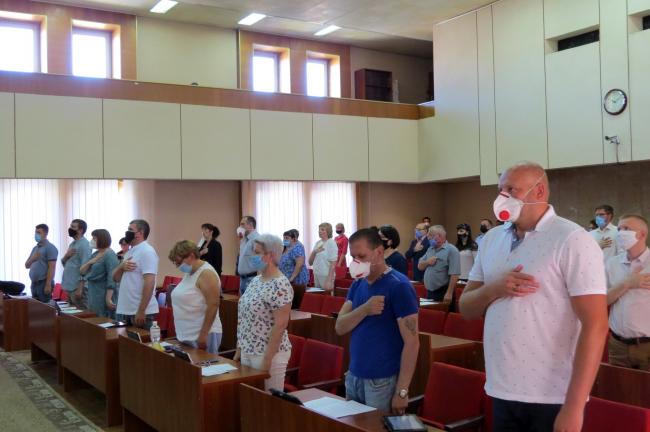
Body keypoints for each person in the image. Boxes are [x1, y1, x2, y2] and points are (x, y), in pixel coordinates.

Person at [460, 162, 608, 432]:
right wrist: (493, 289)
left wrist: (574, 407)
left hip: (552, 395)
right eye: (500, 189)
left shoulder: (572, 239)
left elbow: (596, 325)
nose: (503, 196)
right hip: (502, 386)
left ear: (539, 191)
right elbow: (466, 308)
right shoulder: (491, 239)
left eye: (511, 189)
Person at [335, 228, 419, 413]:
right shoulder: (358, 283)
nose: (356, 262)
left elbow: (412, 343)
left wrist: (402, 391)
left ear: (379, 252)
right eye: (353, 257)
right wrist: (365, 309)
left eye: (362, 256)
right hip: (354, 375)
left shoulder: (399, 286)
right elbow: (340, 326)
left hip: (382, 381)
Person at [234, 234, 293, 390]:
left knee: (267, 401)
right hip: (248, 348)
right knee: (249, 397)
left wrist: (267, 360)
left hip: (268, 353)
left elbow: (280, 325)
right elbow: (244, 316)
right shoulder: (256, 280)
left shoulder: (280, 284)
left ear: (270, 255)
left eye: (257, 252)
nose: (252, 256)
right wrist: (239, 348)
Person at [605, 214, 650, 370]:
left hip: (647, 345)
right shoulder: (612, 264)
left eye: (626, 229)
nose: (620, 233)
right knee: (618, 384)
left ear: (642, 234)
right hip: (618, 345)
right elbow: (602, 301)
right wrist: (628, 283)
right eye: (619, 229)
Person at [169, 240, 223, 353]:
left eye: (179, 262)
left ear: (191, 256)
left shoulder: (206, 273)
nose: (178, 266)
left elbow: (213, 305)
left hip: (202, 334)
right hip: (187, 334)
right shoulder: (189, 272)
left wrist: (203, 334)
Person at [112, 219, 159, 329]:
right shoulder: (130, 252)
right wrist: (121, 267)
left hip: (141, 311)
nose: (127, 232)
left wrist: (141, 310)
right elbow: (115, 278)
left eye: (130, 229)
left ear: (140, 233)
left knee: (141, 340)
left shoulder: (147, 251)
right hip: (128, 309)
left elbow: (150, 282)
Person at [80, 229, 119, 318]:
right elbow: (82, 271)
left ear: (102, 239)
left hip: (103, 292)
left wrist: (108, 298)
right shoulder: (96, 254)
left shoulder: (109, 254)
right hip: (93, 292)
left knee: (102, 319)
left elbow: (111, 278)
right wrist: (91, 262)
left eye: (94, 238)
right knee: (93, 318)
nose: (91, 241)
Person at [418, 225, 460, 302]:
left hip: (443, 292)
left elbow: (454, 274)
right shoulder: (430, 249)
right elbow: (420, 266)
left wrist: (449, 293)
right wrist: (427, 262)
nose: (428, 238)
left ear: (439, 236)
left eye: (430, 235)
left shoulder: (452, 250)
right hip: (429, 292)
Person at [61, 219, 92, 309]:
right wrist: (66, 256)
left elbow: (85, 268)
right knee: (71, 315)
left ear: (81, 230)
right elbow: (66, 265)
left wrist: (80, 288)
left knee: (81, 314)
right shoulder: (72, 244)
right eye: (70, 226)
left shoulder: (85, 245)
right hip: (70, 287)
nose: (70, 229)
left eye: (73, 227)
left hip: (77, 288)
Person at [25, 224, 58, 303]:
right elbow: (27, 265)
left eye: (39, 232)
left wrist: (48, 284)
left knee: (44, 308)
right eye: (36, 232)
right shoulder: (35, 248)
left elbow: (52, 267)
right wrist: (33, 259)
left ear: (45, 234)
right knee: (35, 307)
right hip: (34, 283)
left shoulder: (50, 247)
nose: (36, 235)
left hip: (44, 283)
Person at [279, 229, 309, 309]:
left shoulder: (297, 247)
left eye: (287, 238)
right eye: (284, 237)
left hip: (296, 280)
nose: (284, 240)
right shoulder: (286, 247)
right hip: (286, 279)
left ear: (293, 239)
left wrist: (292, 278)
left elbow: (299, 264)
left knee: (295, 303)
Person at [309, 223, 338, 292]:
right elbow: (310, 262)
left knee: (327, 296)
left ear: (328, 231)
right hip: (317, 274)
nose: (319, 231)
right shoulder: (318, 243)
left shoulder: (331, 242)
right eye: (319, 230)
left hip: (326, 276)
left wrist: (329, 280)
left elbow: (333, 264)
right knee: (318, 296)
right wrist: (314, 252)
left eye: (322, 229)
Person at [237, 216, 260, 295]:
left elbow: (259, 261)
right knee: (242, 302)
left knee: (251, 302)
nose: (240, 227)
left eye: (242, 224)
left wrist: (258, 281)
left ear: (250, 225)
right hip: (242, 279)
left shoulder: (257, 239)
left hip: (252, 279)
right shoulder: (244, 239)